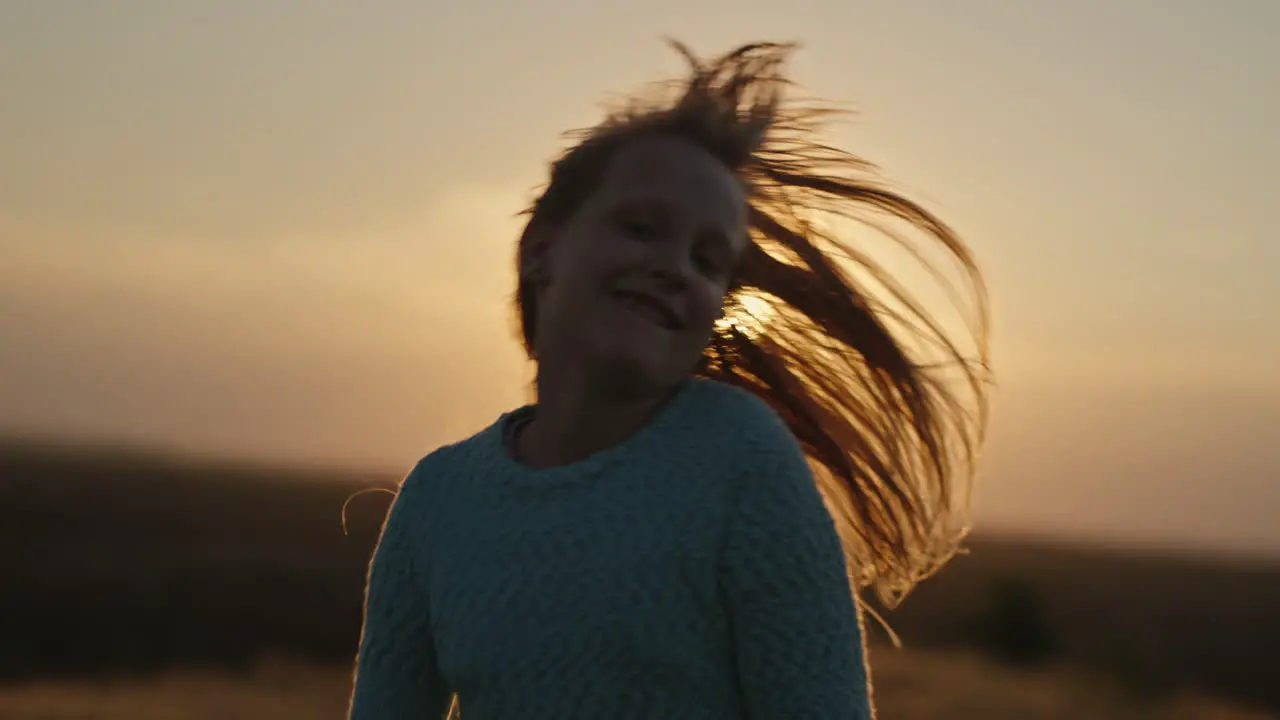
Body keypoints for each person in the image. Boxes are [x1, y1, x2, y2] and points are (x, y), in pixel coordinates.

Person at [348, 40, 989, 720]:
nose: (675, 267)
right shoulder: (436, 500)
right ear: (542, 250)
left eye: (708, 260)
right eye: (643, 227)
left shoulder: (740, 460)